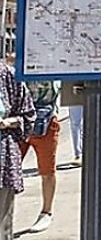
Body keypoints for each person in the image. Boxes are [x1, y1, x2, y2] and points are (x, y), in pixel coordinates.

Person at [19, 79, 61, 233]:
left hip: (45, 120)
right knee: (6, 170)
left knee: (47, 170)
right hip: (17, 121)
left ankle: (46, 212)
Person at [0, 65, 34, 240]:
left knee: (2, 224)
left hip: (3, 159)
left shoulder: (7, 75)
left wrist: (7, 123)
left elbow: (28, 116)